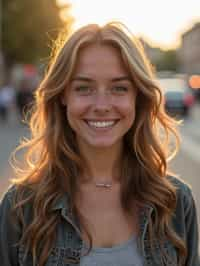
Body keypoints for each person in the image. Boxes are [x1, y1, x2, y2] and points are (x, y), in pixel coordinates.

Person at [0, 21, 199, 266]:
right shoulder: (21, 207)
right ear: (63, 95)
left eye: (119, 88)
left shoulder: (176, 202)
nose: (102, 105)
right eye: (84, 88)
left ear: (137, 96)